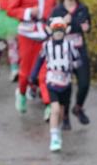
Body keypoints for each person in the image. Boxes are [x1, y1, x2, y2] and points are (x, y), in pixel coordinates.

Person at [6, 0, 58, 115]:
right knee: (25, 72)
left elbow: (53, 8)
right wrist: (28, 12)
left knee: (45, 72)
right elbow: (10, 9)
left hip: (45, 34)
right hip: (27, 34)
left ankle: (49, 105)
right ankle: (21, 93)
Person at [29, 17, 80, 152]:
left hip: (66, 82)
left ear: (65, 31)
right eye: (55, 31)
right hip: (52, 81)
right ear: (50, 31)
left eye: (60, 31)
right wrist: (33, 76)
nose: (58, 34)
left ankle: (57, 130)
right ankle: (54, 138)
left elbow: (77, 59)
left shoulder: (69, 45)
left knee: (61, 112)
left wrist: (77, 68)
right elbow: (39, 61)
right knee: (55, 109)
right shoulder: (46, 46)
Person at [51, 0, 92, 127]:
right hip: (63, 53)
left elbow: (88, 26)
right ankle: (65, 116)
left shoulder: (83, 9)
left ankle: (78, 107)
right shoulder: (57, 10)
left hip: (79, 51)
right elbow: (50, 30)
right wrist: (63, 23)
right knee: (65, 86)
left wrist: (87, 28)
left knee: (84, 83)